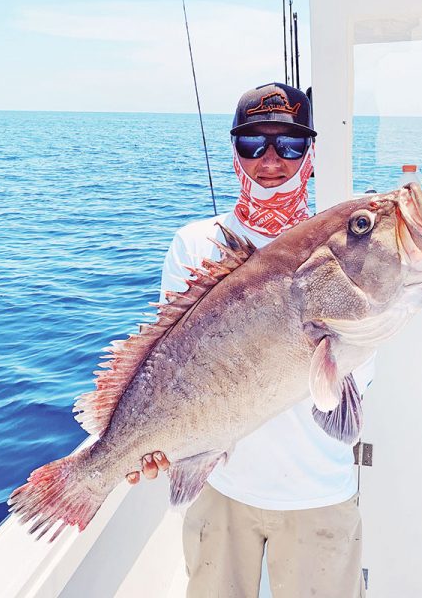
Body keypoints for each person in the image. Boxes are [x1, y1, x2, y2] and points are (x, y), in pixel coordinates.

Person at [125, 82, 375, 598]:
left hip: (318, 490)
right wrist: (156, 443)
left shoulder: (339, 248)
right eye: (252, 144)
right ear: (234, 150)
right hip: (220, 487)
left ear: (310, 154)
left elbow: (351, 376)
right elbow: (165, 365)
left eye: (289, 145)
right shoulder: (196, 244)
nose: (271, 160)